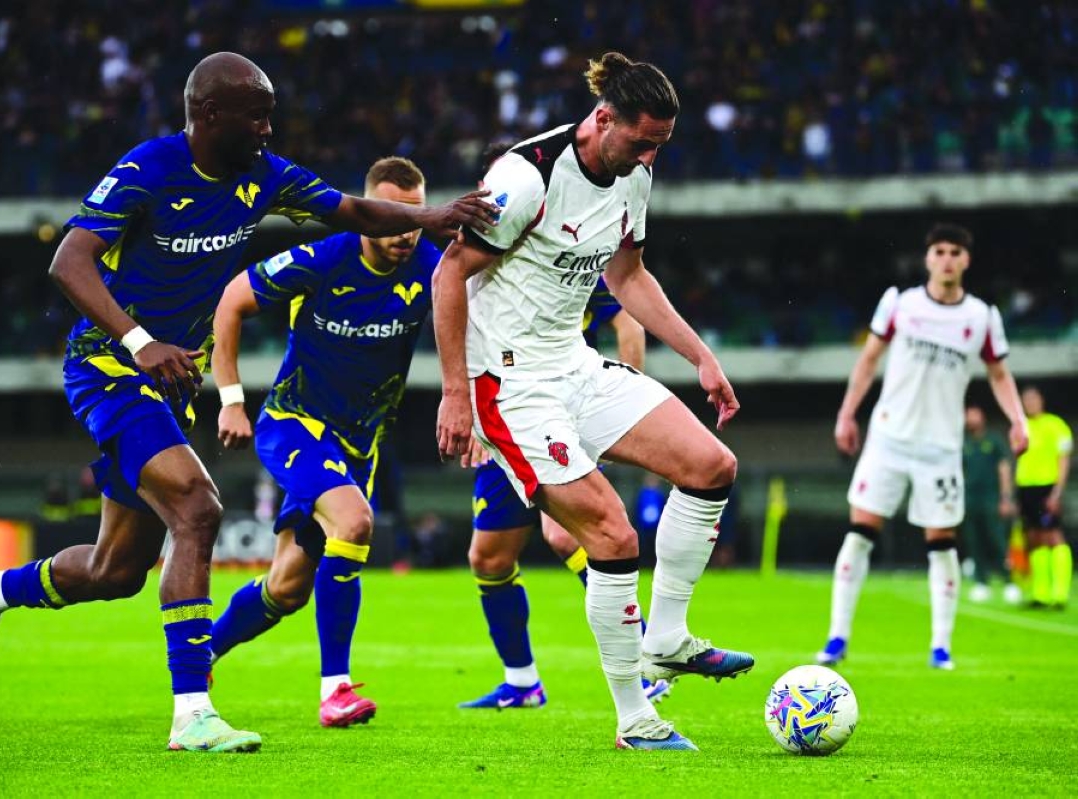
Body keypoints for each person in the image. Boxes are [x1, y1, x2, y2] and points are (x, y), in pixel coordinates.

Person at [0, 53, 497, 754]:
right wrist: (141, 341)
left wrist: (434, 214)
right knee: (198, 507)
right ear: (209, 115)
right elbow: (69, 261)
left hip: (171, 383)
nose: (268, 128)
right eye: (257, 115)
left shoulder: (265, 174)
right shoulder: (149, 168)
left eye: (271, 115)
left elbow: (352, 209)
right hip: (111, 367)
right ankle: (193, 713)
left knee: (117, 571)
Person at [434, 52, 752, 751]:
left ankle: (667, 637)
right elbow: (450, 273)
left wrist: (700, 356)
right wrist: (455, 392)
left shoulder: (635, 172)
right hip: (509, 386)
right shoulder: (527, 176)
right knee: (613, 535)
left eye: (660, 145)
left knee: (712, 465)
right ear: (603, 118)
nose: (650, 157)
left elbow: (627, 275)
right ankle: (636, 718)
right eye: (643, 141)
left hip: (575, 364)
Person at [208, 156, 448, 728]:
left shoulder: (434, 268)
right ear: (366, 214)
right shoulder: (323, 258)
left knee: (287, 588)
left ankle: (202, 652)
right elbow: (232, 301)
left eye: (415, 217)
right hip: (295, 424)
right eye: (391, 217)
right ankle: (335, 690)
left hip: (360, 444)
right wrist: (231, 399)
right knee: (356, 522)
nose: (405, 231)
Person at [817, 223, 1028, 672]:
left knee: (942, 544)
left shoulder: (982, 316)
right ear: (927, 257)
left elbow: (999, 374)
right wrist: (846, 414)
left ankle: (941, 647)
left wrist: (1017, 419)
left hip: (940, 448)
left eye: (955, 252)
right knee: (859, 534)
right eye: (940, 251)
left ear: (966, 260)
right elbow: (869, 360)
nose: (947, 259)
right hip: (888, 439)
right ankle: (837, 638)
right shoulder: (900, 303)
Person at [460, 275, 673, 709]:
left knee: (565, 534)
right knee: (489, 558)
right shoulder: (483, 273)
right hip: (501, 420)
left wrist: (622, 412)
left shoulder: (568, 263)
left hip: (559, 414)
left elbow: (629, 324)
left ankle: (645, 661)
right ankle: (522, 683)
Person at [1015, 386, 1072, 609]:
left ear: (1041, 400)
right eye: (1026, 400)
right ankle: (1041, 593)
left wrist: (1057, 491)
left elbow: (1063, 459)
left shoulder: (1056, 425)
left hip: (1047, 487)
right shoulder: (1022, 426)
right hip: (1026, 488)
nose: (1030, 403)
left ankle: (1060, 593)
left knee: (1053, 536)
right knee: (1034, 537)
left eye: (1033, 399)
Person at [960, 405, 1018, 603]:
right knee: (974, 541)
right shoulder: (964, 442)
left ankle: (1009, 582)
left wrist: (1005, 498)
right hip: (970, 499)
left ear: (982, 417)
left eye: (974, 415)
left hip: (991, 498)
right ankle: (981, 582)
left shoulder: (994, 440)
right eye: (968, 416)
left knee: (997, 539)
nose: (971, 419)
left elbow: (1004, 469)